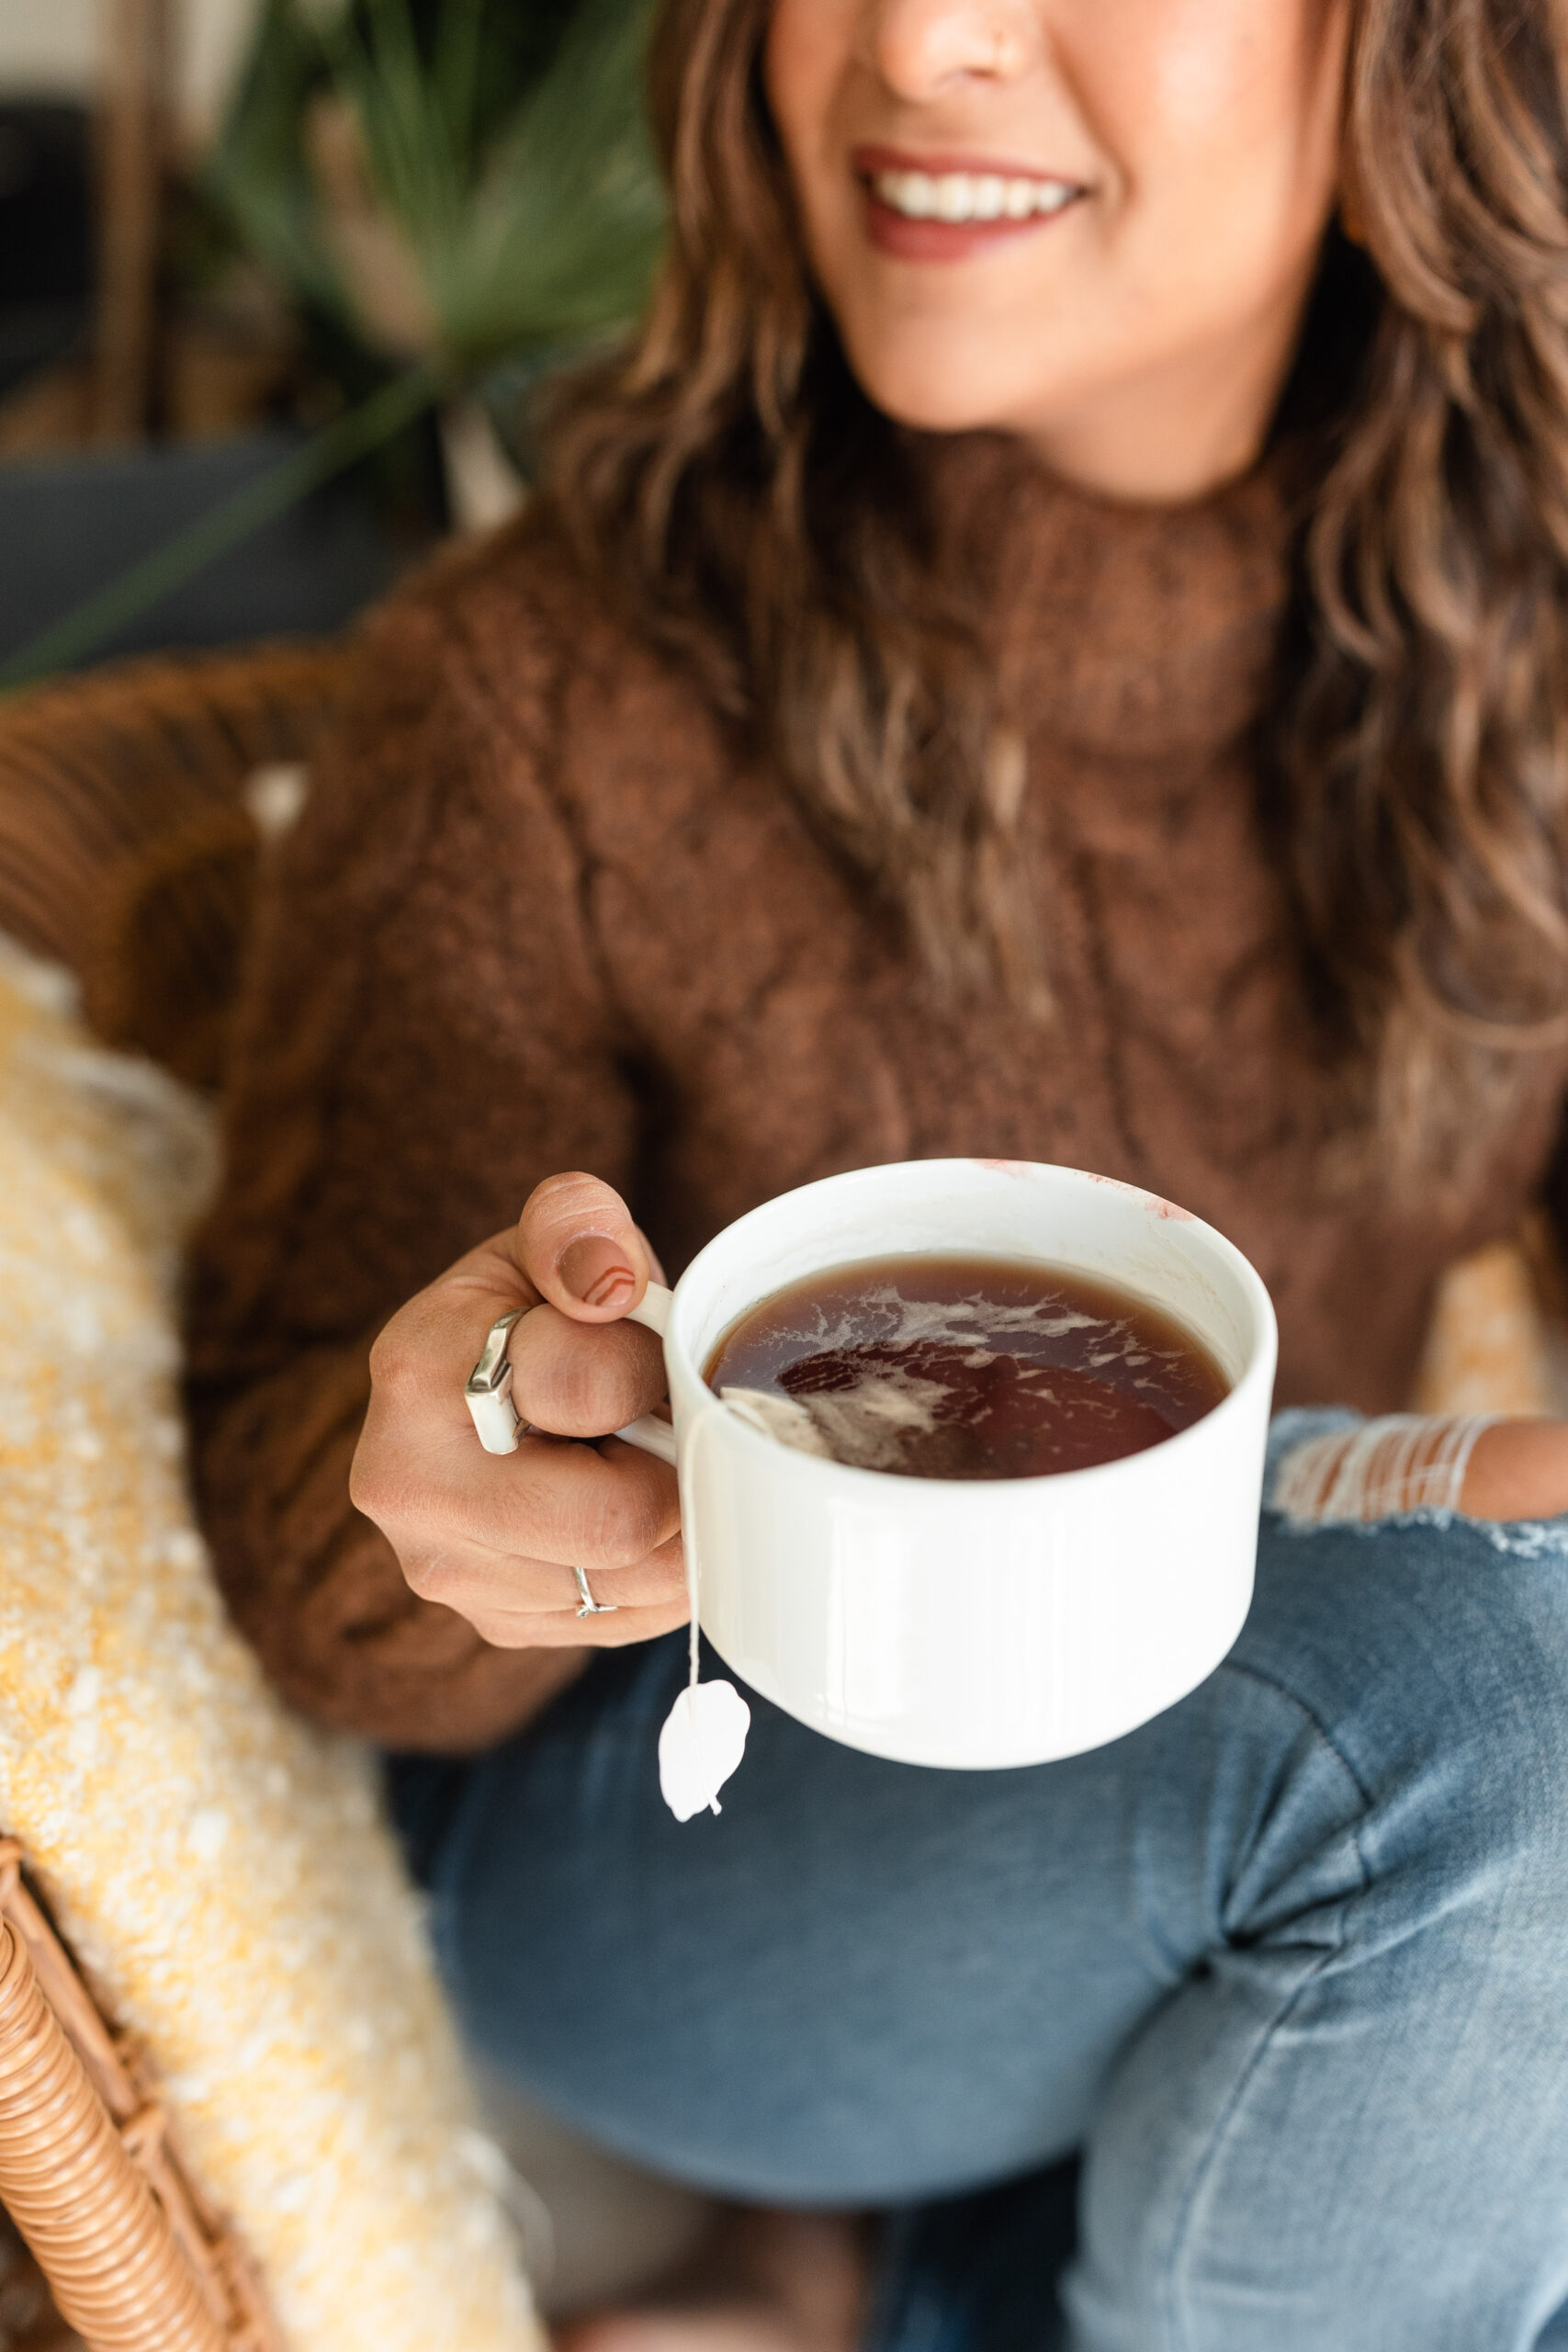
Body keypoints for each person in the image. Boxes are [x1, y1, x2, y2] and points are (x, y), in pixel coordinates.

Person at [185, 0, 1568, 2342]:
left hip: (1231, 1666)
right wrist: (457, 1464)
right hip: (680, 1800)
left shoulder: (1504, 630)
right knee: (1473, 1731)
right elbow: (313, 1560)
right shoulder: (535, 701)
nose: (920, 42)